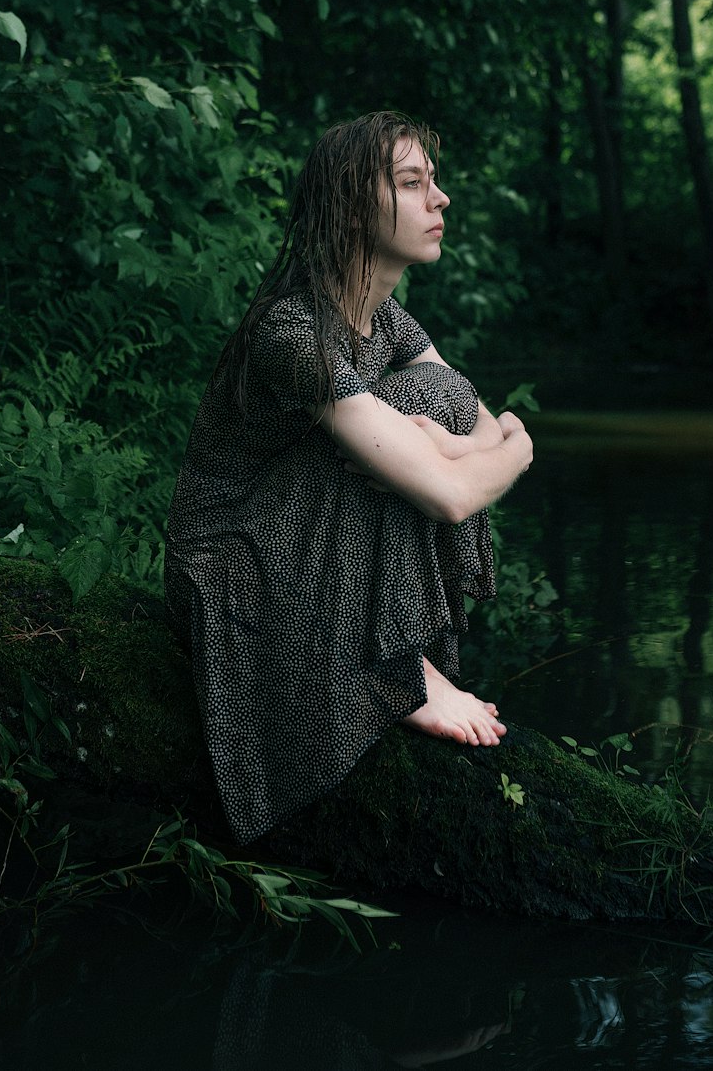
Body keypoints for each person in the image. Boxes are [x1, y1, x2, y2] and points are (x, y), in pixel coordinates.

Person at [164, 111, 533, 845]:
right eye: (412, 183)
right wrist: (502, 452)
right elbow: (460, 486)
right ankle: (405, 673)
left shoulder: (389, 320)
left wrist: (479, 445)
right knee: (418, 414)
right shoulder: (292, 332)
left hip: (300, 548)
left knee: (437, 399)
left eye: (434, 181)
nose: (441, 200)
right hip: (231, 568)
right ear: (353, 205)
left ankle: (408, 657)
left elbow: (481, 424)